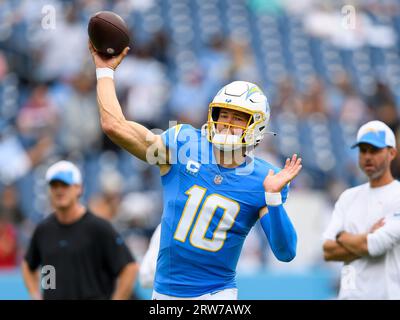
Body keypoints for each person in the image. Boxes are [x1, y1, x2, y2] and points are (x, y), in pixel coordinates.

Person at [89, 43, 302, 300]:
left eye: (237, 118)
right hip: (164, 294)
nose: (226, 124)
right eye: (223, 115)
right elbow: (114, 126)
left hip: (215, 295)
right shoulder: (184, 145)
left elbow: (285, 252)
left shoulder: (265, 179)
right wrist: (104, 71)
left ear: (256, 126)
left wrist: (273, 199)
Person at [21, 160, 138, 300]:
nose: (59, 190)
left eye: (65, 185)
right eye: (54, 185)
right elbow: (28, 265)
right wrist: (35, 295)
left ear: (79, 188)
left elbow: (129, 267)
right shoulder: (43, 230)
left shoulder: (99, 228)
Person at [322, 120, 400, 299]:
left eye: (375, 150)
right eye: (363, 150)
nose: (367, 156)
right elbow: (328, 251)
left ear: (392, 153)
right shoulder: (348, 197)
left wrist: (343, 237)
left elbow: (374, 245)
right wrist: (367, 236)